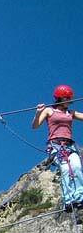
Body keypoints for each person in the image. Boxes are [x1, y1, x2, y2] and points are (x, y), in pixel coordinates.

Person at [32, 84, 83, 212]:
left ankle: (79, 198)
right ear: (60, 98)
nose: (70, 101)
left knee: (76, 167)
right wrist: (38, 113)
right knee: (66, 169)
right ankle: (69, 200)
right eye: (67, 98)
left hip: (69, 145)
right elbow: (35, 125)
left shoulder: (70, 113)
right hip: (56, 146)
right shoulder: (49, 111)